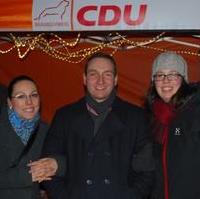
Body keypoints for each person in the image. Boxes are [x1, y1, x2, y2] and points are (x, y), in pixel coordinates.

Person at [29, 52, 155, 199]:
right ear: (84, 79)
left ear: (115, 80)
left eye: (107, 74)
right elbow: (47, 167)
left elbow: (147, 171)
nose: (100, 81)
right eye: (93, 74)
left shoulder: (136, 117)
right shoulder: (65, 116)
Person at [146, 51, 200, 199]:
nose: (166, 80)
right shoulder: (152, 119)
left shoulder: (195, 113)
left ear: (184, 80)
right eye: (159, 75)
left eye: (173, 74)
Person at [0, 75, 48, 199]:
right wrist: (28, 176)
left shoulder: (45, 130)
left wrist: (54, 164)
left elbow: (66, 158)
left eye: (34, 95)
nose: (29, 102)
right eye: (21, 96)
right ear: (10, 102)